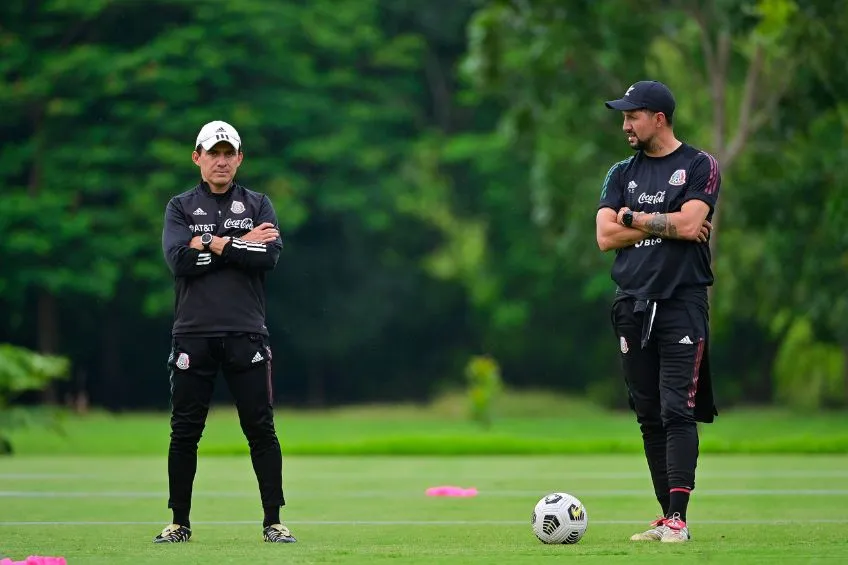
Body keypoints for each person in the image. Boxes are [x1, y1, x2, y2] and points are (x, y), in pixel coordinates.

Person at [155, 120, 296, 544]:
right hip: (193, 334)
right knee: (184, 432)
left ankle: (274, 522)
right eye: (212, 153)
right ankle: (179, 522)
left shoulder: (258, 204)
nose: (221, 161)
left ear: (239, 158)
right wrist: (237, 245)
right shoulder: (179, 206)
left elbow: (267, 258)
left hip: (246, 334)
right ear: (197, 157)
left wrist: (209, 243)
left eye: (227, 153)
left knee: (260, 429)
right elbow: (178, 261)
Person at [595, 81, 721, 543]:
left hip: (681, 302)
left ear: (659, 118)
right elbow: (605, 237)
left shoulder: (697, 165)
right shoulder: (619, 172)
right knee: (647, 413)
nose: (625, 124)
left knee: (676, 410)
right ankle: (664, 514)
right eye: (624, 116)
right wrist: (655, 223)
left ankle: (679, 519)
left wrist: (632, 217)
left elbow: (692, 224)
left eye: (633, 116)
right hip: (631, 303)